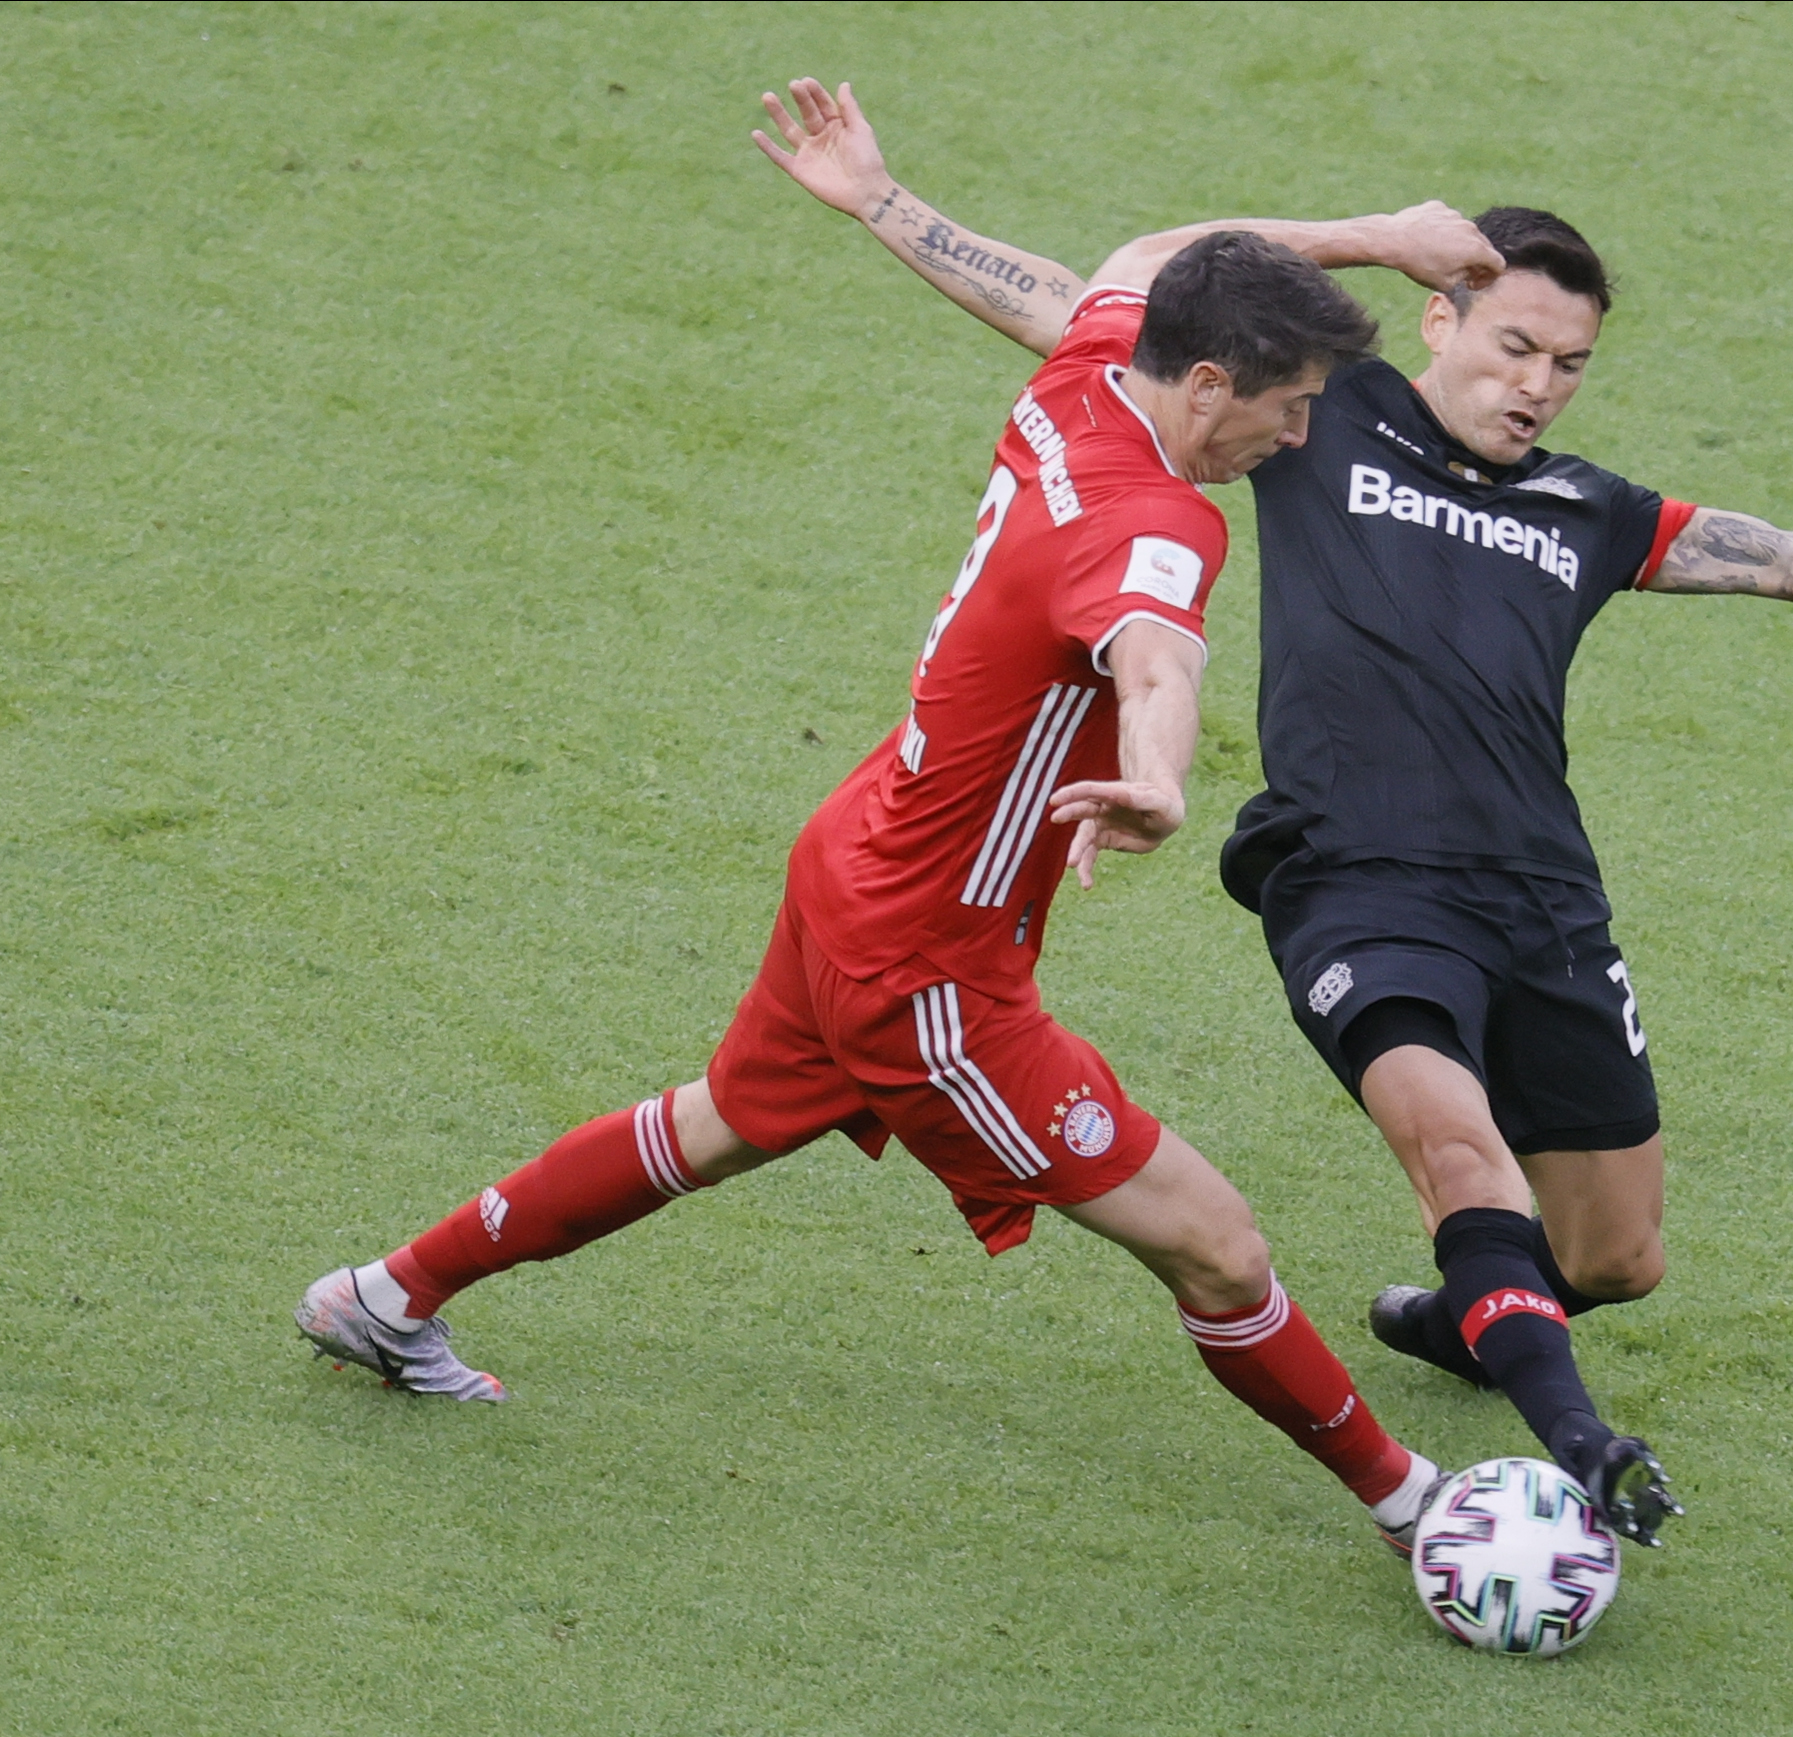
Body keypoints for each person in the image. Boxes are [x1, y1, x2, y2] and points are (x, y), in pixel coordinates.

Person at [802, 92, 1793, 1547]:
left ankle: (1479, 1318)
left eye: (1568, 364)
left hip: (1540, 897)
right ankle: (1574, 1445)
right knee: (1461, 1154)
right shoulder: (1320, 417)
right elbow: (1118, 299)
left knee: (1618, 1253)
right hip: (1352, 880)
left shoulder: (1590, 509)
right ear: (1438, 317)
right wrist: (884, 201)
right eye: (1512, 344)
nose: (1536, 384)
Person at [295, 76, 1501, 1554]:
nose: (1302, 437)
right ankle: (1417, 1507)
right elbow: (1156, 652)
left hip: (863, 849)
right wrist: (1163, 771)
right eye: (1289, 405)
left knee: (723, 1121)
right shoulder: (1158, 522)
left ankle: (385, 1294)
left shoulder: (1100, 366)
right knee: (1211, 1240)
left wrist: (883, 200)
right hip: (929, 960)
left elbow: (1148, 255)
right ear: (1207, 387)